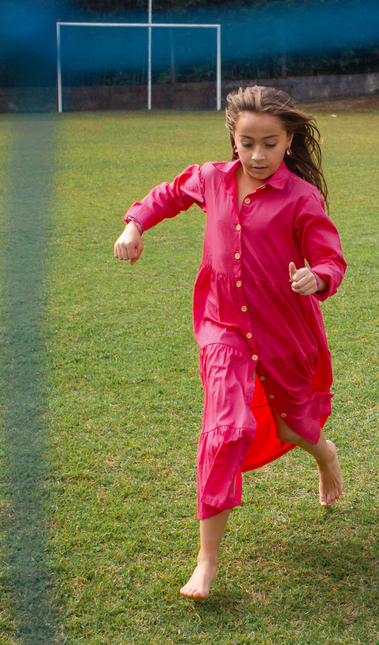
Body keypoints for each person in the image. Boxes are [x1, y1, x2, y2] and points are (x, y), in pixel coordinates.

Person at [112, 86, 346, 600]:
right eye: (247, 143)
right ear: (232, 139)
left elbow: (331, 258)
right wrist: (134, 226)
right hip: (223, 328)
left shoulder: (302, 197)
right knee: (224, 429)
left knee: (292, 423)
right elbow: (165, 195)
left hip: (284, 330)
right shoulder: (210, 179)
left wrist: (318, 277)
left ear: (289, 141)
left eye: (270, 143)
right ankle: (207, 560)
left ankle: (324, 455)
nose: (258, 155)